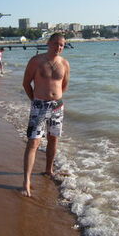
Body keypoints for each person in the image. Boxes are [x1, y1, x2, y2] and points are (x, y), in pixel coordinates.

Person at [21, 33, 70, 197]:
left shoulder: (64, 63)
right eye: (56, 43)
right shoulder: (36, 61)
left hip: (57, 106)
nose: (59, 47)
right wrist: (35, 100)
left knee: (53, 139)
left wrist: (55, 98)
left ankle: (49, 170)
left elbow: (64, 85)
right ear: (48, 43)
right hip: (39, 105)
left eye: (62, 45)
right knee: (33, 142)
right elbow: (26, 83)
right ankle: (26, 181)